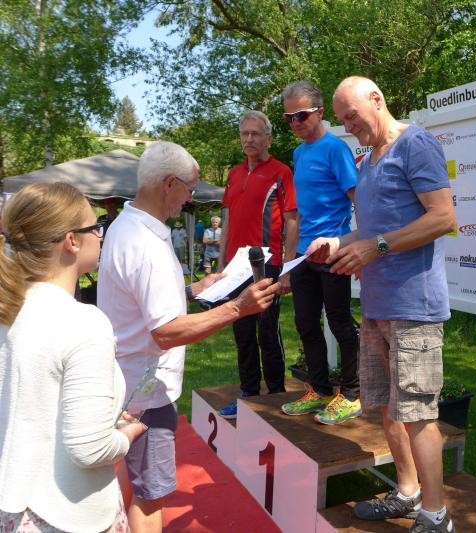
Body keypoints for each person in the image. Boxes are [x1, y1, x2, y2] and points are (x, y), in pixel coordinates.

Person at [98, 141, 278, 532]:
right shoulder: (146, 243)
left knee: (133, 483)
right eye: (189, 188)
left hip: (128, 380)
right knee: (151, 496)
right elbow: (165, 332)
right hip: (147, 389)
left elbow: (141, 300)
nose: (190, 198)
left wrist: (195, 290)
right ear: (169, 183)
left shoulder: (125, 226)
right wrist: (237, 307)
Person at [307, 76, 456, 533]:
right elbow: (370, 231)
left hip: (414, 307)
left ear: (377, 99)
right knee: (389, 409)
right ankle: (408, 493)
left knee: (417, 413)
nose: (349, 126)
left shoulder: (416, 144)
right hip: (377, 305)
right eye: (342, 120)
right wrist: (338, 242)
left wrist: (376, 247)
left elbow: (444, 217)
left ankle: (437, 515)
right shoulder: (367, 161)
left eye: (352, 116)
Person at [0, 182, 147, 532]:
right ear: (72, 241)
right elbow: (90, 448)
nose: (100, 235)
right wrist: (128, 434)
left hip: (12, 505)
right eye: (96, 226)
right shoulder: (83, 322)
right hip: (67, 515)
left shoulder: (9, 309)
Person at [280, 80, 362, 426]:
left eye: (301, 115)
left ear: (320, 112)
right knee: (305, 323)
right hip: (303, 255)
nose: (295, 123)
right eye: (289, 118)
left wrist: (360, 247)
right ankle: (319, 390)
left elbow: (360, 200)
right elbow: (299, 213)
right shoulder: (299, 154)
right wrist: (289, 261)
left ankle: (353, 394)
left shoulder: (336, 149)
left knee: (340, 322)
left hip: (331, 253)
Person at [216, 110, 299, 419]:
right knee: (243, 333)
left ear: (268, 138)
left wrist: (287, 269)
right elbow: (227, 220)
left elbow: (293, 221)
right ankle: (249, 393)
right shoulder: (234, 174)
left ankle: (276, 395)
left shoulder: (281, 172)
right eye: (245, 134)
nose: (249, 139)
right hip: (234, 267)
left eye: (255, 133)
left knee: (267, 333)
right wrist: (221, 264)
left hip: (266, 264)